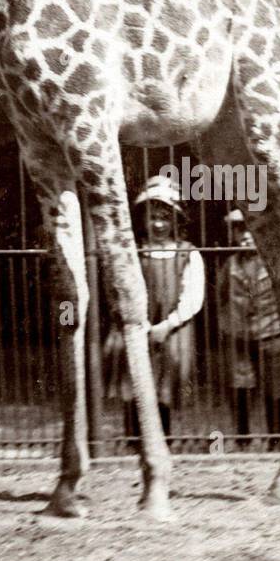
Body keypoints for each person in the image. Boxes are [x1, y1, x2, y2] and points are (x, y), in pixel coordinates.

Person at [104, 173, 204, 449]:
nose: (158, 223)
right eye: (152, 217)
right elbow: (118, 287)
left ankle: (162, 441)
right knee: (131, 380)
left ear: (176, 219)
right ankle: (132, 441)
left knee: (166, 384)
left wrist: (168, 324)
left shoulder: (188, 253)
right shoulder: (134, 251)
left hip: (172, 330)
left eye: (165, 216)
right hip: (136, 325)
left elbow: (193, 296)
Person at [218, 209, 280, 447]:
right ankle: (242, 437)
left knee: (275, 388)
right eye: (239, 231)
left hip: (271, 331)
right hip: (238, 334)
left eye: (250, 230)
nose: (245, 236)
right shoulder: (230, 264)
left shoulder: (275, 261)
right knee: (240, 387)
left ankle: (276, 438)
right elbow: (220, 295)